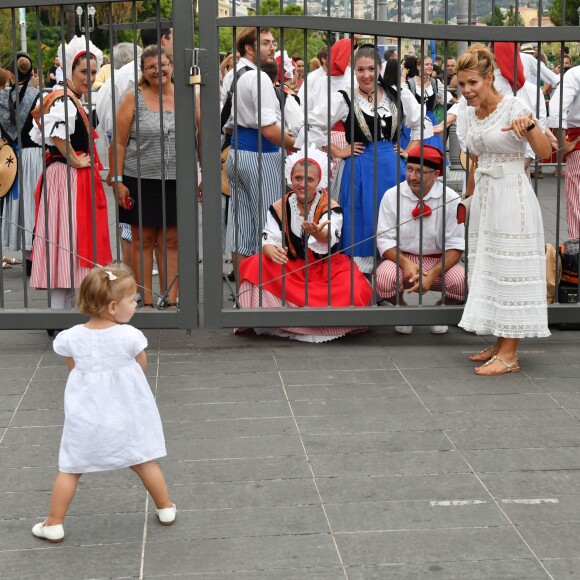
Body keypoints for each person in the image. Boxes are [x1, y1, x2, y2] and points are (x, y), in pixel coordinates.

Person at [31, 267, 175, 543]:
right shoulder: (130, 336)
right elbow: (140, 365)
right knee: (144, 460)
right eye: (132, 300)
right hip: (126, 413)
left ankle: (54, 523)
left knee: (71, 467)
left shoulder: (72, 336)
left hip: (87, 417)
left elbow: (72, 368)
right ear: (113, 307)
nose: (135, 304)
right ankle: (165, 508)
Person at [455, 44, 552, 376]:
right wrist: (467, 199)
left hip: (513, 195)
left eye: (473, 84)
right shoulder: (468, 114)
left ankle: (510, 356)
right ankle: (500, 344)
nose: (467, 91)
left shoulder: (514, 107)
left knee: (510, 270)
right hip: (485, 195)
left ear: (489, 78)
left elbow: (543, 152)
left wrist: (531, 126)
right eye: (462, 84)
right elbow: (475, 159)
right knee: (490, 265)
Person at [296, 45, 425, 275]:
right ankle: (361, 288)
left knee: (394, 222)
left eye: (370, 69)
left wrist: (410, 151)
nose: (366, 75)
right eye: (360, 70)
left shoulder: (397, 94)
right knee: (362, 225)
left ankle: (391, 289)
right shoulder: (345, 98)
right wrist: (337, 150)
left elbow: (420, 124)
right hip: (360, 169)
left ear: (380, 68)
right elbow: (311, 125)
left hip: (393, 169)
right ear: (353, 71)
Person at [236, 147, 372, 342]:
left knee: (354, 286)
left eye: (309, 180)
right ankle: (284, 320)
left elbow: (331, 233)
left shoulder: (329, 206)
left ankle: (309, 323)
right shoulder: (279, 206)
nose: (302, 184)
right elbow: (269, 237)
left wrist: (319, 233)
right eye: (298, 178)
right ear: (291, 178)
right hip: (293, 265)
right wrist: (271, 251)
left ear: (319, 182)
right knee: (255, 264)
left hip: (326, 267)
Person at [29, 36, 112, 309]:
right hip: (67, 180)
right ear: (70, 71)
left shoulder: (67, 97)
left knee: (64, 240)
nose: (88, 77)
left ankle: (61, 310)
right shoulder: (65, 98)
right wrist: (75, 160)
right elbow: (54, 133)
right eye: (83, 72)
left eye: (92, 72)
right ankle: (63, 312)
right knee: (70, 240)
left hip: (64, 179)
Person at [224, 27, 295, 272]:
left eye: (272, 42)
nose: (272, 47)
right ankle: (265, 294)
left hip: (237, 154)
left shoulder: (232, 73)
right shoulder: (259, 77)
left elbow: (229, 123)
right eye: (265, 43)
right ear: (249, 48)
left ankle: (244, 294)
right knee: (270, 223)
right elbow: (269, 129)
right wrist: (297, 146)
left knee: (241, 226)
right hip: (260, 156)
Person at [111, 45, 177, 309]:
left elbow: (200, 138)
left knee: (172, 240)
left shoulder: (187, 97)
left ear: (171, 66)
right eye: (150, 66)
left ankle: (172, 300)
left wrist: (203, 176)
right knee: (143, 241)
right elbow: (118, 143)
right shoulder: (132, 98)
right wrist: (117, 180)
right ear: (143, 71)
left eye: (162, 64)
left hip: (176, 180)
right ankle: (146, 300)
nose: (157, 70)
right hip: (139, 180)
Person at [376, 144, 465, 335]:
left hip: (438, 260)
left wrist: (432, 274)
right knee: (383, 279)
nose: (412, 176)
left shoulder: (451, 198)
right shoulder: (392, 196)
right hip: (402, 258)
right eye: (409, 169)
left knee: (461, 282)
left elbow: (456, 246)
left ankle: (441, 309)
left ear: (436, 174)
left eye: (420, 172)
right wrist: (405, 262)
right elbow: (384, 239)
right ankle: (402, 308)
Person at [0, 52, 43, 265]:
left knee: (21, 204)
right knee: (35, 203)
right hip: (35, 155)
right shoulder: (40, 96)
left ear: (10, 74)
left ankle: (27, 257)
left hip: (12, 159)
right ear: (33, 73)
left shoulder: (2, 98)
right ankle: (36, 254)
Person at [547, 59, 580, 238]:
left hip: (577, 143)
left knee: (576, 203)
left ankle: (577, 253)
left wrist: (562, 144)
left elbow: (556, 107)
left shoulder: (575, 74)